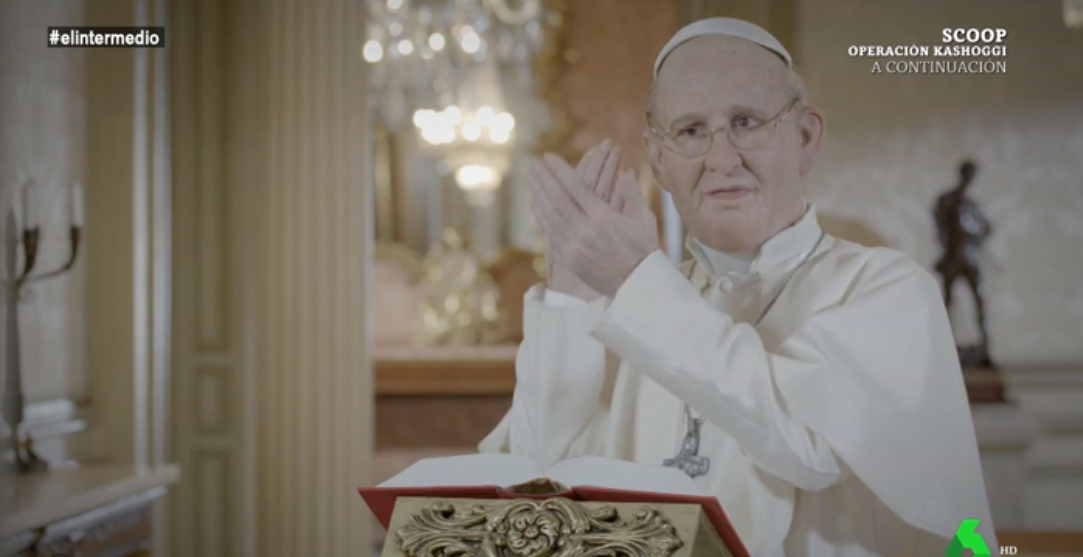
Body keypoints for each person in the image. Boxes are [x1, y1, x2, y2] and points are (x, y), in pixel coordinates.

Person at [479, 18, 996, 556]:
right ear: (658, 161)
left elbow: (807, 446)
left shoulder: (886, 290)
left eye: (746, 122)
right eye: (690, 132)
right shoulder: (625, 305)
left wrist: (633, 279)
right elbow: (530, 486)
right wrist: (571, 298)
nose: (722, 160)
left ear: (804, 137)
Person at [935, 160, 994, 367]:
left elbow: (987, 228)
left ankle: (984, 346)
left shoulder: (972, 205)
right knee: (947, 302)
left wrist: (974, 237)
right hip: (953, 257)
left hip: (970, 257)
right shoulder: (947, 200)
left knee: (979, 300)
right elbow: (940, 227)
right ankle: (947, 346)